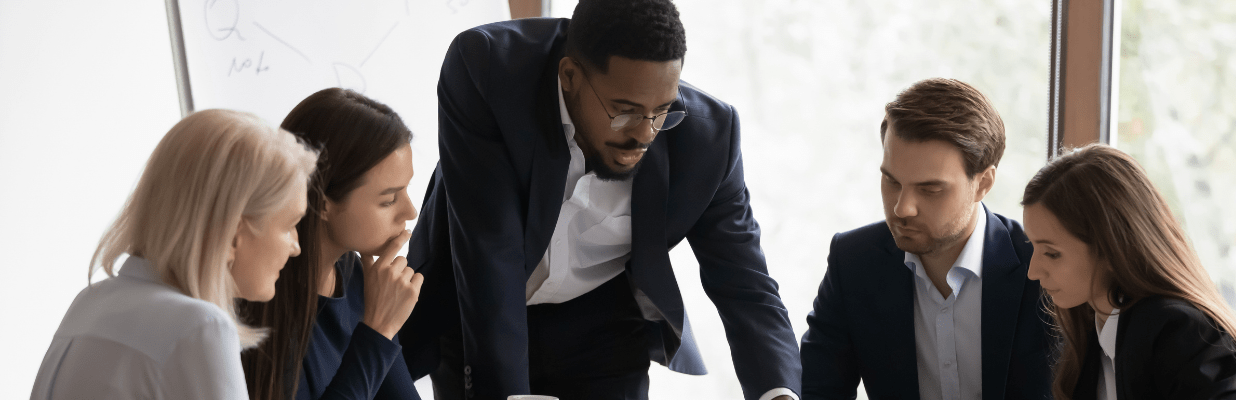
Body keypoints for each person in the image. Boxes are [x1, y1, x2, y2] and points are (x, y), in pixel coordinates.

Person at [399, 0, 801, 399]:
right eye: (624, 112)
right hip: (479, 309)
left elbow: (745, 282)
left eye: (662, 111)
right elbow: (490, 247)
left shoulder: (709, 137)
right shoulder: (487, 68)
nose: (645, 134)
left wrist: (779, 392)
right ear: (570, 76)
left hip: (601, 323)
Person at [30, 109, 318, 399]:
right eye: (290, 226)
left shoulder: (90, 303)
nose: (296, 247)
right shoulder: (200, 327)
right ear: (233, 234)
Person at [800, 78, 1055, 400]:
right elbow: (817, 389)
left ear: (983, 183)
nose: (902, 208)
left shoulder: (1042, 268)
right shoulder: (853, 261)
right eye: (892, 181)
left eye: (930, 189)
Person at [1020, 144, 1236, 400]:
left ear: (1113, 247)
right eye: (1032, 247)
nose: (1033, 271)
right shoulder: (1092, 331)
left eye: (1052, 253)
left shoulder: (1180, 333)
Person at [239, 88, 423, 400]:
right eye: (389, 199)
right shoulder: (262, 298)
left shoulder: (360, 278)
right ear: (322, 203)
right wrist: (377, 331)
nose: (410, 211)